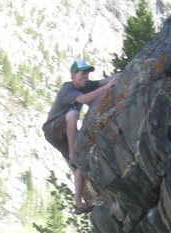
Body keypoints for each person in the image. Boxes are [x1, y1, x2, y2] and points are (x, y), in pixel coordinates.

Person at [42, 59, 119, 214]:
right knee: (73, 113)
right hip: (53, 129)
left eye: (88, 73)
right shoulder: (67, 88)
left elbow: (104, 81)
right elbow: (84, 99)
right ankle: (72, 153)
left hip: (65, 132)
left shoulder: (86, 85)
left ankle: (79, 204)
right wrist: (108, 87)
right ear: (73, 75)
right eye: (83, 73)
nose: (86, 76)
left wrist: (120, 76)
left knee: (81, 163)